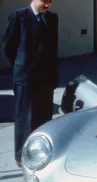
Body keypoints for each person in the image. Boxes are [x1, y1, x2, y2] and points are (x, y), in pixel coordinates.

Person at [2, 0, 59, 168]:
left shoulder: (53, 18)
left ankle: (41, 152)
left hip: (46, 78)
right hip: (26, 79)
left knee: (44, 118)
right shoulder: (19, 16)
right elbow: (8, 46)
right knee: (25, 119)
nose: (48, 5)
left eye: (50, 2)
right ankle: (21, 156)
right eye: (45, 1)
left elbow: (53, 48)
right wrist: (22, 64)